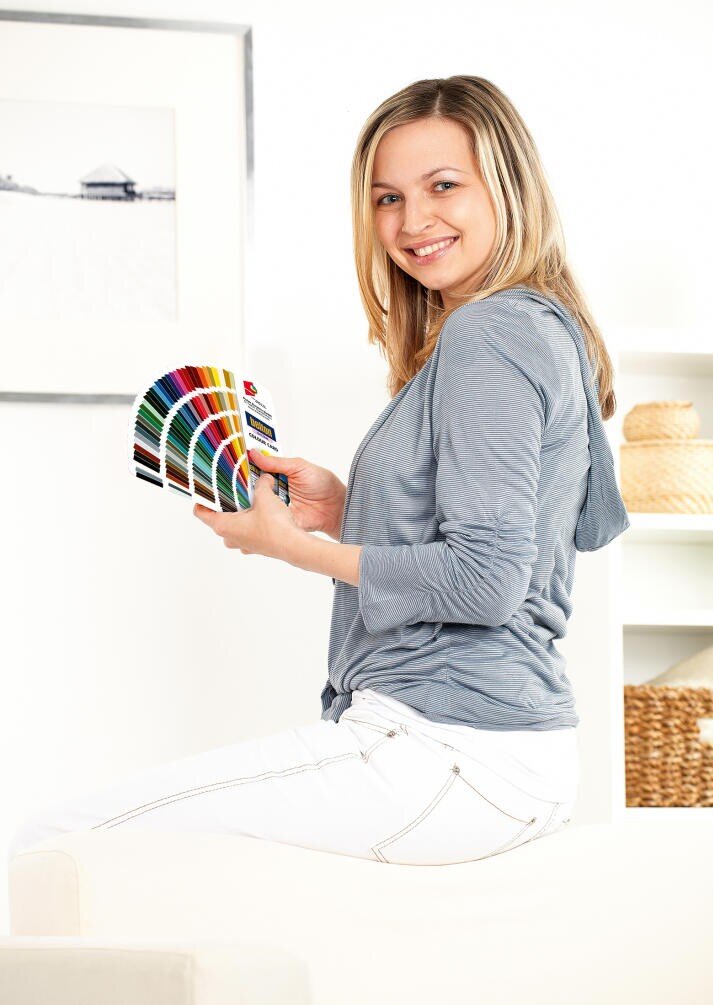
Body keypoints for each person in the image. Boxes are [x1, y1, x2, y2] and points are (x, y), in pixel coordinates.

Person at [7, 76, 629, 868]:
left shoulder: (489, 335)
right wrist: (349, 507)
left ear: (508, 187)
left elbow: (489, 580)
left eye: (443, 186)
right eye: (386, 199)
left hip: (450, 744)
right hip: (493, 748)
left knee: (52, 847)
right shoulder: (540, 327)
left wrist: (291, 548)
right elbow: (542, 527)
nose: (413, 221)